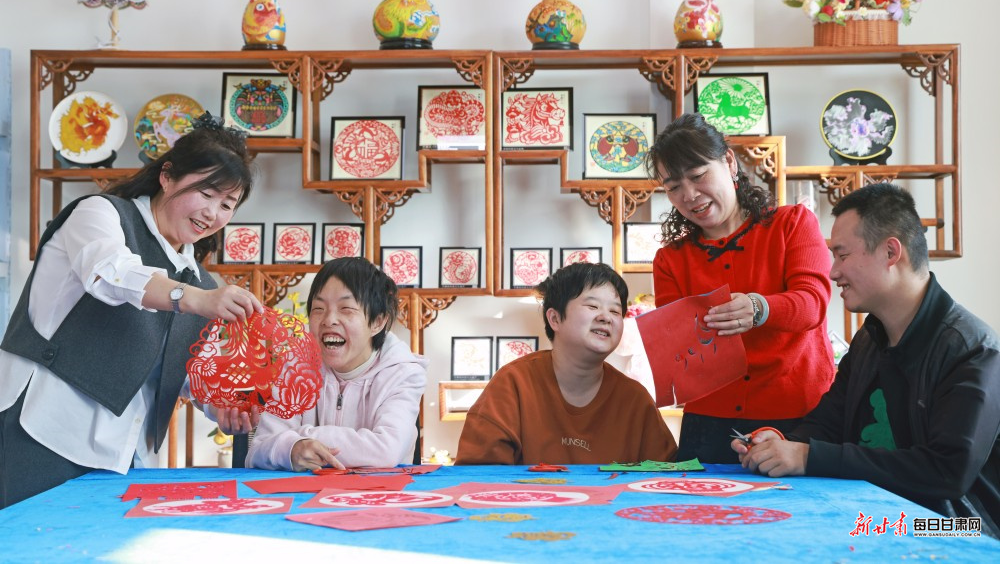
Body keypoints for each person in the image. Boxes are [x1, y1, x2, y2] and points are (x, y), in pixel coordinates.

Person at [0, 115, 264, 508]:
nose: (213, 213)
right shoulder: (100, 214)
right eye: (206, 194)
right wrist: (194, 298)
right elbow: (110, 273)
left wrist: (224, 404)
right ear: (167, 177)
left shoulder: (201, 282)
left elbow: (190, 369)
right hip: (43, 428)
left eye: (227, 204)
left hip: (124, 456)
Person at [733, 183, 1000, 538]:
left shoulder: (972, 349)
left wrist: (808, 457)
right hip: (876, 515)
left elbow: (946, 472)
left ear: (890, 252)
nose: (832, 272)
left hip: (957, 529)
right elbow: (829, 422)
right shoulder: (870, 338)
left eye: (842, 256)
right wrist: (779, 442)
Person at [646, 113, 834, 463]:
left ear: (729, 162)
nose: (689, 195)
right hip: (709, 420)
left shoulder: (792, 224)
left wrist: (760, 308)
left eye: (698, 176)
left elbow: (813, 304)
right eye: (673, 187)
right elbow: (680, 350)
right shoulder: (670, 260)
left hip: (797, 413)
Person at [456, 262, 677, 465]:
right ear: (554, 319)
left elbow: (668, 477)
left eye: (615, 311)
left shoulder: (635, 400)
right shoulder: (513, 384)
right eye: (592, 306)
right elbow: (479, 477)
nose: (606, 317)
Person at [246, 257, 428, 471]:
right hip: (303, 490)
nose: (329, 320)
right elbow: (257, 452)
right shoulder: (294, 367)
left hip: (381, 491)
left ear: (378, 322)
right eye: (318, 308)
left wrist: (299, 437)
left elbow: (387, 450)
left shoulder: (404, 373)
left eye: (346, 309)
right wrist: (292, 448)